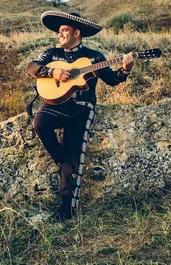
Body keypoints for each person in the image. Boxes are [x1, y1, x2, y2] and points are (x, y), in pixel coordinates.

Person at [27, 11, 135, 220]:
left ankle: (66, 211)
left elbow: (113, 80)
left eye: (64, 30)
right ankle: (64, 162)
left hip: (82, 108)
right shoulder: (51, 54)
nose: (60, 34)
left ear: (77, 32)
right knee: (40, 122)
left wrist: (125, 70)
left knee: (74, 153)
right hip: (56, 104)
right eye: (59, 31)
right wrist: (52, 73)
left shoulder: (95, 57)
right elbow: (31, 67)